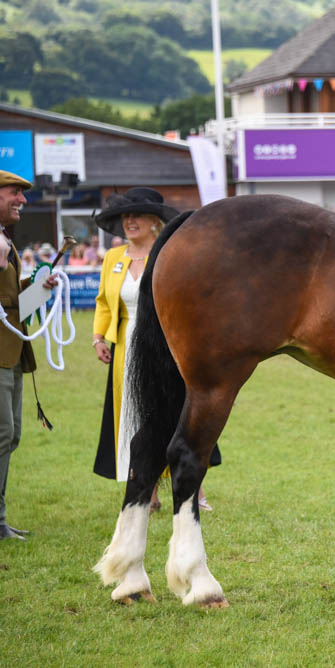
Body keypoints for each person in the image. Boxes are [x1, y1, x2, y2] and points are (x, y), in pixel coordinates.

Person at [92, 188, 218, 512]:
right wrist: (98, 338)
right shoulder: (112, 258)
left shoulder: (168, 254)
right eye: (125, 216)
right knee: (133, 416)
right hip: (125, 348)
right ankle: (146, 492)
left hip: (165, 342)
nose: (129, 221)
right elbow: (104, 303)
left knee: (176, 413)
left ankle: (193, 487)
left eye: (137, 215)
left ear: (154, 221)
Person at [0, 170, 58, 541]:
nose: (22, 200)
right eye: (14, 193)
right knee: (2, 433)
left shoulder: (5, 241)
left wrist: (39, 288)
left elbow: (12, 303)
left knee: (10, 434)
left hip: (12, 351)